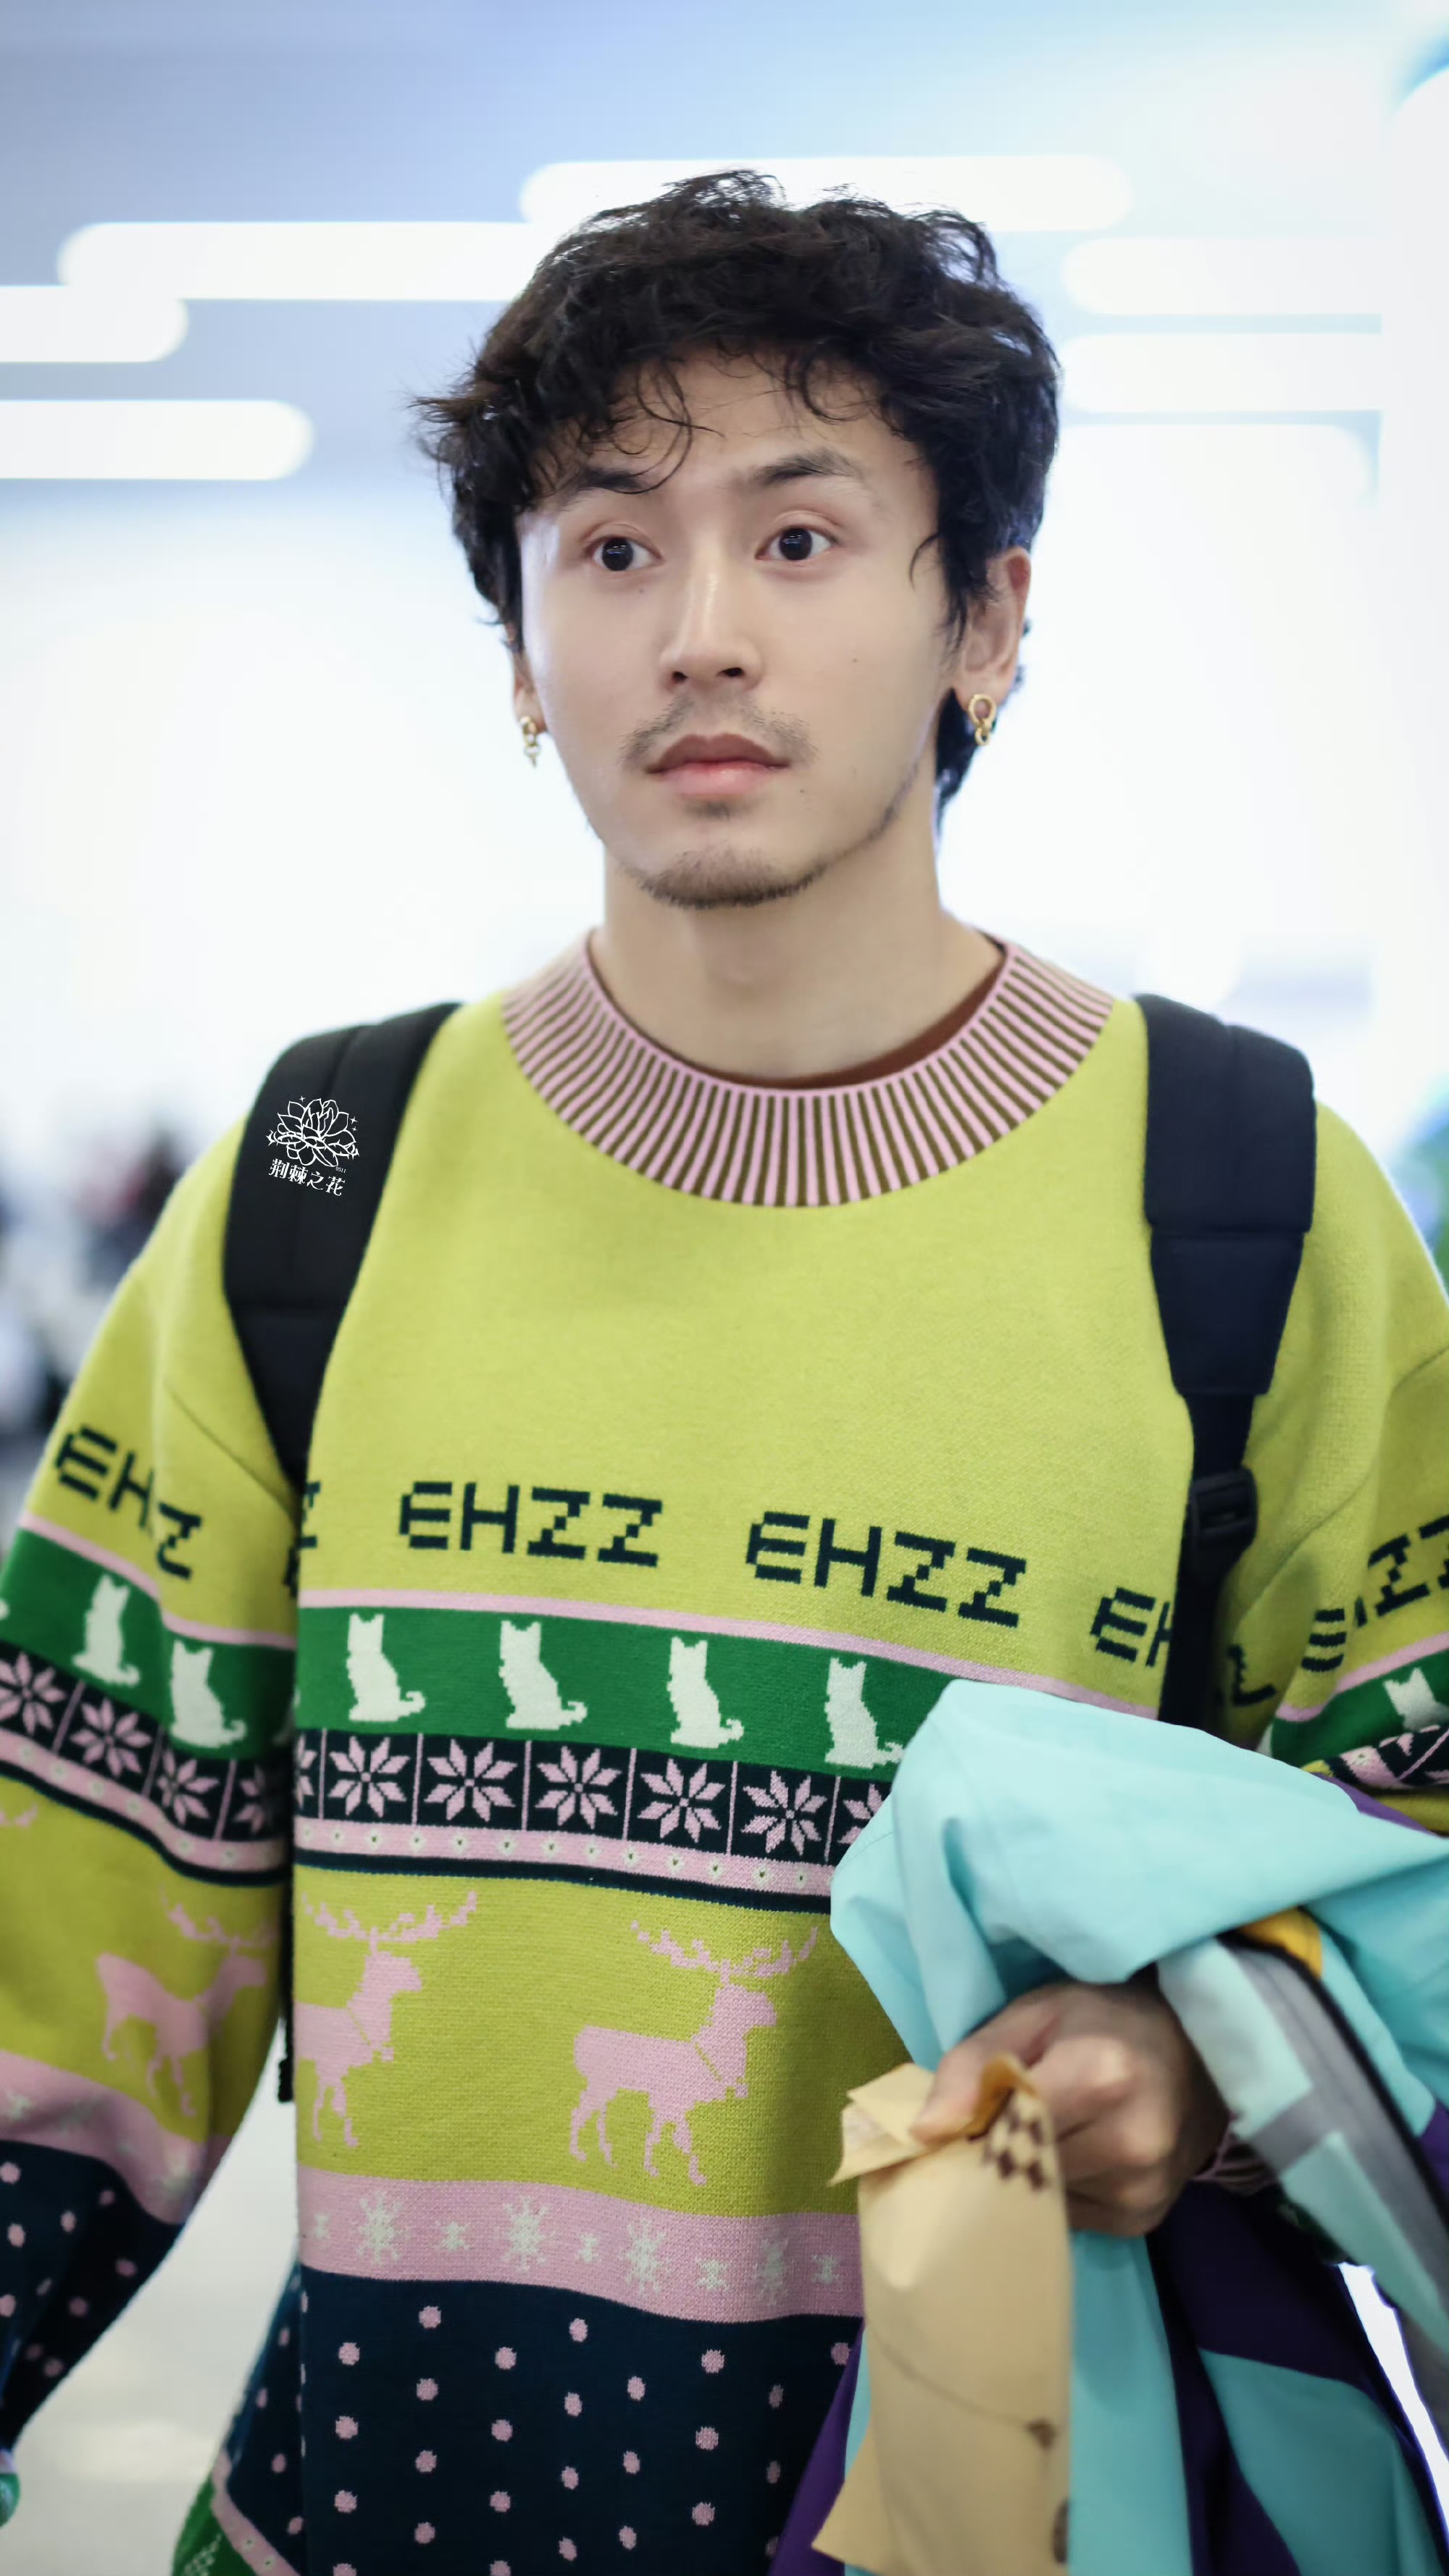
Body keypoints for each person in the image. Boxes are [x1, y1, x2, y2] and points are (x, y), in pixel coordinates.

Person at [0, 170, 1444, 2576]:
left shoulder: (1247, 1192)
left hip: (1000, 2509)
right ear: (518, 646)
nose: (698, 635)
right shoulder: (322, 1165)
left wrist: (1207, 2059)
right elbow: (64, 1938)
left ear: (985, 620)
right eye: (609, 548)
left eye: (799, 537)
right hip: (377, 2514)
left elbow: (1417, 1834)